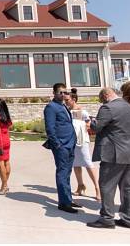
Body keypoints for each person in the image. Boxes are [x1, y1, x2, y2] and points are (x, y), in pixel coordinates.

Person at [86, 88, 130, 229]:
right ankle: (128, 218)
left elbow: (97, 127)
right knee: (128, 188)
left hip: (113, 154)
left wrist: (91, 122)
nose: (102, 101)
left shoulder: (107, 107)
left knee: (106, 186)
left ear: (107, 95)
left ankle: (107, 218)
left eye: (102, 99)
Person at [43, 82, 80, 213]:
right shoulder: (51, 107)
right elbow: (50, 128)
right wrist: (57, 144)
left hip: (70, 143)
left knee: (67, 173)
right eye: (61, 92)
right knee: (62, 172)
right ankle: (63, 203)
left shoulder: (63, 106)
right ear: (54, 93)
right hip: (61, 145)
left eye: (66, 92)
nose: (64, 94)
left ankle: (68, 199)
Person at [65, 88, 100, 201]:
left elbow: (88, 124)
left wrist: (86, 125)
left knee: (87, 163)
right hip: (71, 140)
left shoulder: (81, 111)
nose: (66, 102)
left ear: (74, 99)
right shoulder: (66, 110)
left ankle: (97, 188)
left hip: (81, 140)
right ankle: (80, 185)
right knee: (75, 163)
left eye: (67, 100)